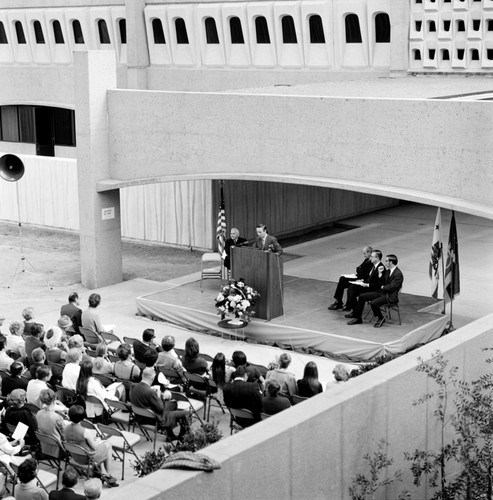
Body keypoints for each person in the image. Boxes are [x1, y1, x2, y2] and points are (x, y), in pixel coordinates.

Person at [64, 405, 118, 487]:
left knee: (98, 446)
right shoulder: (85, 431)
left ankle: (103, 471)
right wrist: (98, 441)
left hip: (75, 456)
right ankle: (108, 474)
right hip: (87, 459)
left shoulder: (65, 428)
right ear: (83, 417)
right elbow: (95, 448)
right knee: (107, 445)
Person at [130, 367, 188, 439]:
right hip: (153, 419)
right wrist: (158, 395)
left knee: (172, 404)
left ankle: (170, 434)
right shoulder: (150, 392)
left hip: (139, 417)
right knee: (185, 413)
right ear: (152, 378)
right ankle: (182, 439)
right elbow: (161, 408)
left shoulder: (133, 386)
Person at [347, 253, 404, 327]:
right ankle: (358, 318)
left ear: (391, 262)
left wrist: (383, 287)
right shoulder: (388, 271)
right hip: (382, 293)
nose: (385, 262)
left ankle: (381, 318)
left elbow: (391, 287)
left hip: (389, 296)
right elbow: (381, 282)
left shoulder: (398, 274)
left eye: (386, 261)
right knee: (361, 296)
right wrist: (380, 274)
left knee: (373, 303)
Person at [328, 245, 373, 310]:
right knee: (342, 279)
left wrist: (360, 271)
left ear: (369, 253)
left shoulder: (371, 262)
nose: (364, 255)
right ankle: (338, 301)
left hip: (361, 279)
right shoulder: (366, 260)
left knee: (351, 286)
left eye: (365, 253)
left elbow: (363, 272)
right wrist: (360, 270)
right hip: (358, 276)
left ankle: (349, 304)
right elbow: (359, 268)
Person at [345, 249, 386, 321]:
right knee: (352, 288)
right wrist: (363, 280)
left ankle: (357, 315)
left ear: (377, 258)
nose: (370, 258)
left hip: (374, 289)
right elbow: (369, 277)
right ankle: (354, 310)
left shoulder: (381, 268)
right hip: (368, 285)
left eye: (372, 257)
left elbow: (379, 284)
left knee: (358, 293)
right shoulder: (373, 266)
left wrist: (367, 285)